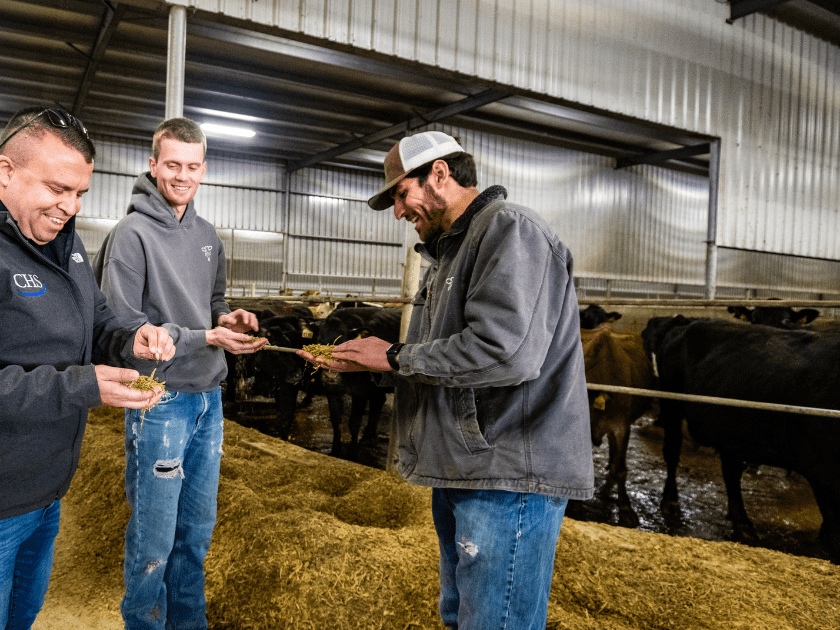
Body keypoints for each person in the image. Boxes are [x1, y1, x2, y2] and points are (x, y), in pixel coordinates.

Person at [0, 106, 176, 630]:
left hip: (41, 490)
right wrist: (81, 385)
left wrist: (134, 341)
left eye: (80, 193)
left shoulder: (66, 248)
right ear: (6, 171)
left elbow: (97, 325)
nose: (70, 207)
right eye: (58, 189)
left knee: (19, 619)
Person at [300, 130, 593, 630]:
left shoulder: (509, 231)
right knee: (463, 616)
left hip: (508, 473)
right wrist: (374, 363)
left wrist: (392, 356)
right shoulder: (451, 252)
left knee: (494, 621)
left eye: (400, 194)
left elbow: (508, 354)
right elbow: (441, 359)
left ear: (439, 173)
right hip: (469, 467)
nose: (398, 212)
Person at [93, 117, 266, 630]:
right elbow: (121, 325)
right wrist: (204, 338)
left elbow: (213, 303)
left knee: (196, 531)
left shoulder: (209, 235)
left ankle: (190, 623)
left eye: (193, 166)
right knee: (153, 536)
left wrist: (228, 319)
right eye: (172, 165)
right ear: (153, 165)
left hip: (208, 399)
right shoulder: (131, 235)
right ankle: (144, 623)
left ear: (204, 169)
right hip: (159, 399)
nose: (182, 175)